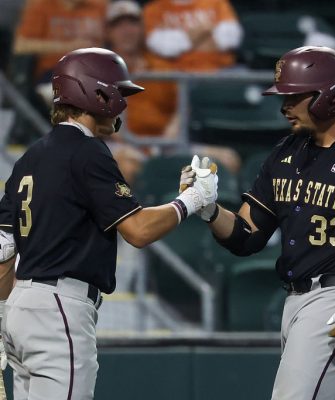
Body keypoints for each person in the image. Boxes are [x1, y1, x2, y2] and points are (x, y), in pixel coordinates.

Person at [180, 46, 335, 399]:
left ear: (329, 94)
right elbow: (246, 237)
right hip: (297, 300)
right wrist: (208, 209)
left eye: (295, 96)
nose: (284, 106)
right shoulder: (285, 152)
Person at [0, 47, 217, 399]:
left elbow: (3, 246)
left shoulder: (30, 156)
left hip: (21, 308)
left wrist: (1, 315)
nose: (123, 103)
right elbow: (138, 231)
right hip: (60, 310)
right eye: (118, 92)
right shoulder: (88, 150)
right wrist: (193, 200)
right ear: (95, 93)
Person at [106, 0, 242, 173]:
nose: (126, 31)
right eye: (118, 25)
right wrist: (134, 144)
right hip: (122, 145)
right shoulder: (99, 67)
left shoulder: (161, 66)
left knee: (227, 160)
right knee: (128, 166)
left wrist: (169, 137)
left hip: (164, 144)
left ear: (142, 28)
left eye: (132, 23)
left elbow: (181, 106)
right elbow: (100, 121)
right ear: (108, 32)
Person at [143, 0, 243, 72]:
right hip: (175, 76)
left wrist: (179, 41)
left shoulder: (217, 3)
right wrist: (203, 32)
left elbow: (230, 39)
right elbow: (165, 48)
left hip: (220, 70)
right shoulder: (153, 9)